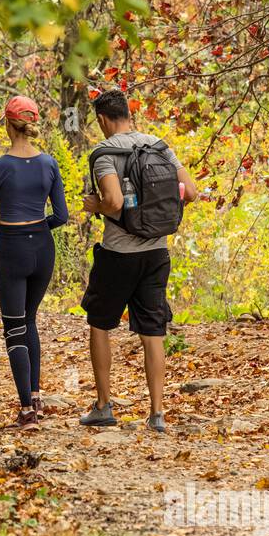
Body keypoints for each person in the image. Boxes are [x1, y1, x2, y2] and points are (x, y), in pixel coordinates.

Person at [79, 88, 197, 432]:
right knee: (153, 331)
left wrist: (95, 206)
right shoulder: (160, 146)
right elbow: (190, 192)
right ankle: (157, 413)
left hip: (118, 255)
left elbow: (113, 202)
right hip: (157, 253)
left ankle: (104, 406)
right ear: (129, 114)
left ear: (102, 119)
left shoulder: (104, 153)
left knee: (100, 324)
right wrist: (156, 216)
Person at [0, 96, 69, 429]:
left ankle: (26, 412)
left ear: (8, 124)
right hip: (43, 249)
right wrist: (38, 228)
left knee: (14, 328)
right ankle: (35, 398)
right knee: (30, 321)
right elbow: (62, 216)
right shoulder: (49, 163)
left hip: (11, 249)